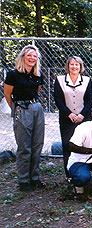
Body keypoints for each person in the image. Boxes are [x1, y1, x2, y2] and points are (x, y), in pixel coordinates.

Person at [4, 45, 45, 192]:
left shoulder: (38, 75)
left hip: (37, 108)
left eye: (35, 56)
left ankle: (34, 177)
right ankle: (23, 180)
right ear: (23, 57)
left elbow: (37, 91)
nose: (32, 58)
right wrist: (16, 109)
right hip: (21, 108)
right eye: (29, 55)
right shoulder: (13, 74)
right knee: (24, 147)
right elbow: (8, 95)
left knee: (37, 144)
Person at [54, 56, 92, 178]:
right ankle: (69, 175)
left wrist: (81, 115)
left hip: (84, 118)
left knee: (84, 145)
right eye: (72, 64)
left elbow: (89, 100)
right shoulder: (60, 80)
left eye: (77, 64)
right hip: (67, 119)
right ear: (68, 66)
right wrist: (69, 114)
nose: (74, 66)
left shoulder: (87, 80)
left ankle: (84, 173)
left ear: (80, 67)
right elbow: (58, 99)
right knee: (67, 145)